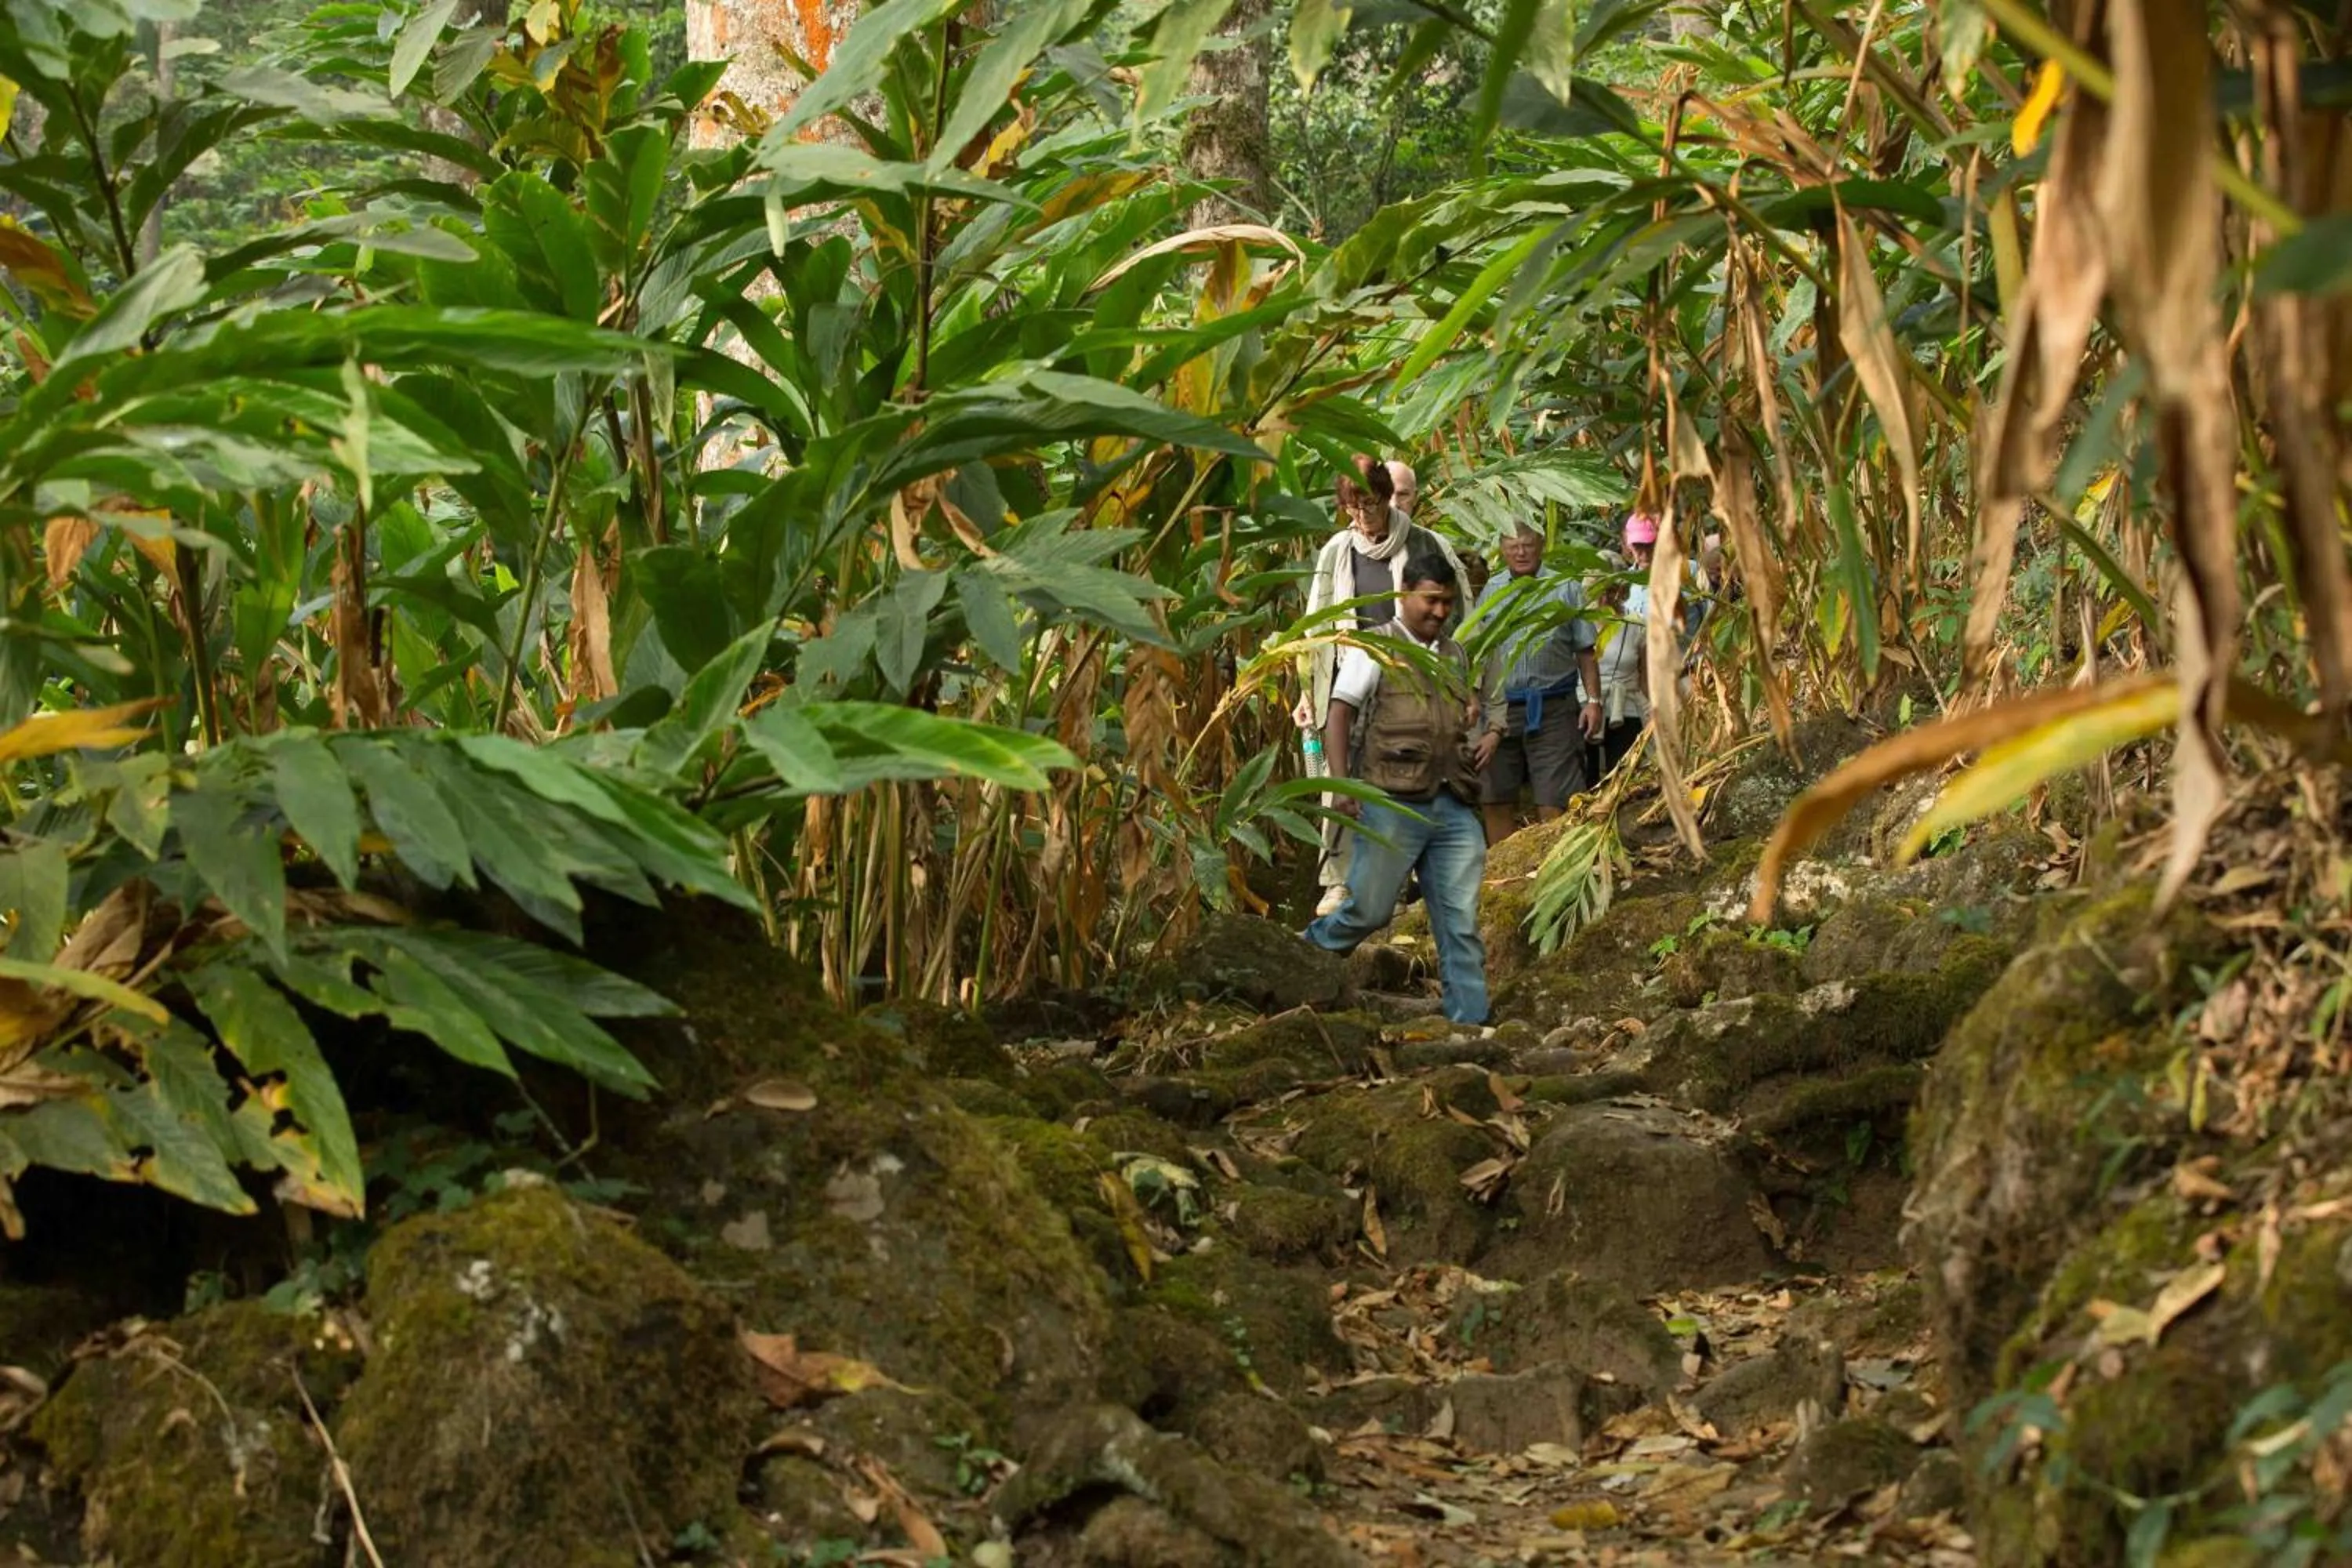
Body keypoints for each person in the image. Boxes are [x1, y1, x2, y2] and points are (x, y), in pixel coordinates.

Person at [1302, 551, 1497, 1024]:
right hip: (1392, 801)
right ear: (1404, 594)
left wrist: (1471, 724)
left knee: (1460, 923)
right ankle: (1299, 958)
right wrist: (1344, 785)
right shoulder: (1378, 647)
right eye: (1431, 600)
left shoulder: (1454, 652)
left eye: (1447, 603)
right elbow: (1340, 711)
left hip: (1451, 803)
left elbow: (1460, 711)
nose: (1440, 612)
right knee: (1368, 912)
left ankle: (1468, 1025)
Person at [1295, 456, 1472, 916]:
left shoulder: (1422, 544)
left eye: (1370, 506)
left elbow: (1459, 618)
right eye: (1352, 510)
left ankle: (1395, 880)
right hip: (1348, 678)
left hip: (1407, 680)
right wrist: (1306, 691)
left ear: (1386, 498)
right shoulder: (1338, 551)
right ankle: (1338, 880)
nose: (1363, 518)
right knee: (1342, 778)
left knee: (1400, 775)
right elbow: (1317, 625)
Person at [1475, 521, 1602, 844]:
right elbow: (1479, 652)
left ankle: (1555, 869)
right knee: (1495, 796)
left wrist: (1593, 701)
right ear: (1502, 549)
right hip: (1500, 711)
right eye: (1514, 545)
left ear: (1541, 546)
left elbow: (1585, 650)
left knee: (1556, 800)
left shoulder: (1565, 587)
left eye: (1528, 545)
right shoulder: (1491, 590)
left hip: (1554, 708)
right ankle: (1502, 876)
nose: (1521, 552)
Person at [1589, 514, 1657, 782]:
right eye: (1601, 589)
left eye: (1613, 589)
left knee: (1623, 778)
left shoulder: (1636, 623)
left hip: (1626, 707)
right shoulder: (1580, 622)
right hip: (1587, 710)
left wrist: (1653, 713)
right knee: (1589, 779)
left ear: (1623, 589)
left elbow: (1645, 678)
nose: (1607, 596)